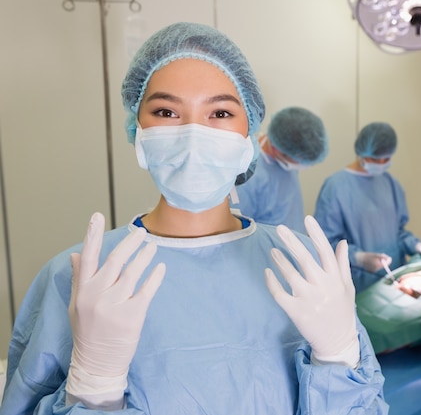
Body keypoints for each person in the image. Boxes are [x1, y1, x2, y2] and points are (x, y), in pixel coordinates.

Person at [0, 22, 388, 414]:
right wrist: (95, 386)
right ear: (138, 130)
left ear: (248, 135)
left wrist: (338, 358)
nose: (192, 134)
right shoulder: (79, 278)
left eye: (219, 112)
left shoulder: (305, 271)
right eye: (166, 111)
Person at [314, 122, 421, 293]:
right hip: (356, 286)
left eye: (386, 159)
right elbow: (324, 243)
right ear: (361, 151)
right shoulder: (336, 187)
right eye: (375, 159)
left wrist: (417, 246)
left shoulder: (390, 183)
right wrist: (359, 258)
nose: (381, 163)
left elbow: (398, 232)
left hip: (395, 281)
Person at [232, 106, 328, 233]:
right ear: (278, 150)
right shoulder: (247, 174)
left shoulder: (287, 161)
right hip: (266, 250)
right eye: (300, 160)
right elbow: (240, 231)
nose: (303, 165)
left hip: (292, 244)